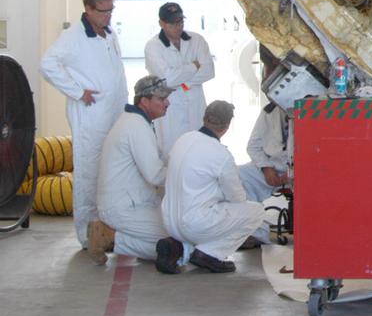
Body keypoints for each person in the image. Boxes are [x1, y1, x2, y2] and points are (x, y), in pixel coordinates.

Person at [40, 0, 128, 248]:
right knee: (89, 174)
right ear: (88, 9)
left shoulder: (109, 33)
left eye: (111, 10)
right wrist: (77, 91)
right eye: (103, 11)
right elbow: (47, 64)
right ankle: (87, 235)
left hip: (114, 113)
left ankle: (108, 230)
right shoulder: (73, 37)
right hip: (91, 116)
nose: (108, 16)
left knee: (112, 171)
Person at [160, 101, 266, 273]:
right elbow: (237, 198)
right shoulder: (220, 154)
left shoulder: (183, 139)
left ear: (204, 118)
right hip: (195, 224)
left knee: (206, 210)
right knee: (256, 211)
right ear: (227, 125)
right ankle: (210, 254)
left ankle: (179, 248)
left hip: (169, 221)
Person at [90, 75, 178, 269]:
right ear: (144, 101)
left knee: (175, 242)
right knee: (178, 237)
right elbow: (155, 175)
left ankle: (114, 238)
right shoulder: (136, 126)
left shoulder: (137, 121)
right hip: (124, 208)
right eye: (161, 99)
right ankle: (110, 236)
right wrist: (184, 173)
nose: (167, 103)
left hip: (133, 202)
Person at [144, 2, 215, 157]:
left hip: (195, 106)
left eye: (180, 22)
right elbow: (167, 79)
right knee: (172, 154)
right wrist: (193, 66)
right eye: (172, 23)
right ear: (161, 23)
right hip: (171, 109)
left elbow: (209, 71)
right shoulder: (153, 46)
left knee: (198, 152)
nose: (178, 27)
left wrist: (182, 81)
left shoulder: (197, 40)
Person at [239, 102, 293, 203]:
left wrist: (294, 171)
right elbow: (253, 146)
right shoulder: (269, 111)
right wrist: (266, 168)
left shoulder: (314, 110)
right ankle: (252, 210)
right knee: (238, 174)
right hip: (271, 168)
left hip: (302, 172)